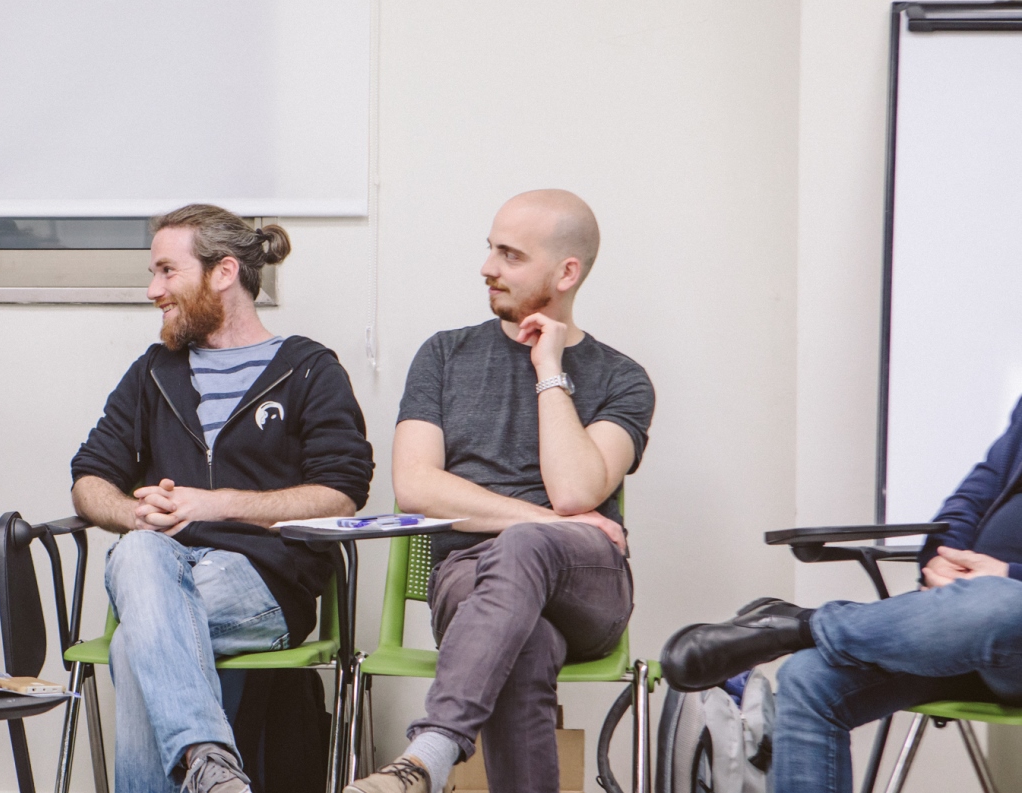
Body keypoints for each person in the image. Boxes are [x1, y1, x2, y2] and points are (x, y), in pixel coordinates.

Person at [347, 189, 655, 793]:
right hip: (470, 578)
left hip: (585, 583)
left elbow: (572, 492)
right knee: (525, 643)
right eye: (490, 249)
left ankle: (430, 753)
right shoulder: (443, 355)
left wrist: (549, 369)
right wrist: (543, 523)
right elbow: (415, 487)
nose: (488, 267)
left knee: (525, 548)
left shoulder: (623, 378)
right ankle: (432, 756)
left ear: (566, 272)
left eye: (510, 255)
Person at [70, 204, 375, 793]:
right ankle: (211, 767)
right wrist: (134, 513)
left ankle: (204, 760)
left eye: (166, 271)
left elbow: (341, 494)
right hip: (161, 568)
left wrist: (217, 504)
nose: (153, 290)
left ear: (223, 272)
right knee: (138, 554)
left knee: (137, 640)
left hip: (262, 583)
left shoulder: (308, 370)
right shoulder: (153, 373)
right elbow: (88, 480)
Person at [661, 397, 1022, 793]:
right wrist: (942, 563)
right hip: (965, 633)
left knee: (1000, 602)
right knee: (807, 677)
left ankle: (798, 625)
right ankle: (801, 627)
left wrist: (1006, 575)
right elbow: (969, 501)